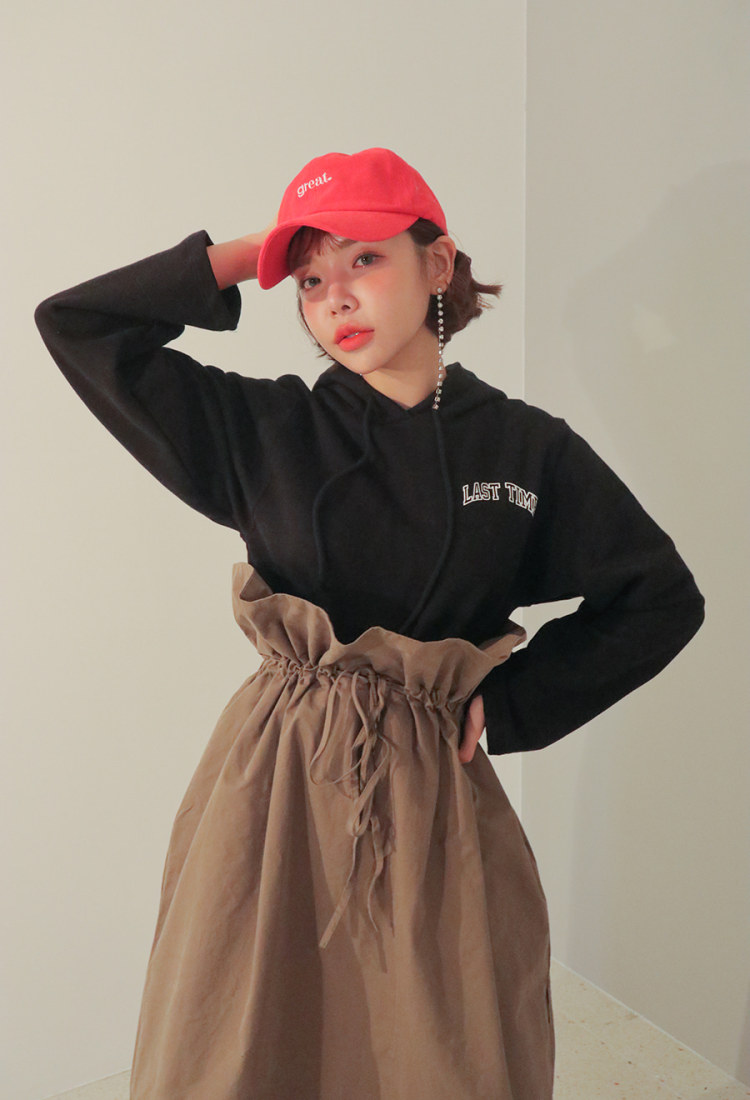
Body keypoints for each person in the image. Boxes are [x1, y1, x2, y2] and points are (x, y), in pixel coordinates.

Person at [34, 147, 705, 1100]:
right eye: (311, 281)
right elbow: (76, 324)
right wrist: (252, 254)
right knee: (242, 1039)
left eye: (364, 261)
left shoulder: (526, 449)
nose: (335, 298)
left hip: (431, 789)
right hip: (273, 784)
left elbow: (660, 596)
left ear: (438, 265)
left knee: (439, 1046)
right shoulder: (265, 431)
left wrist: (514, 705)